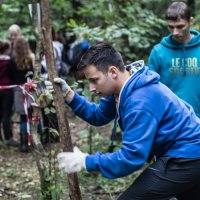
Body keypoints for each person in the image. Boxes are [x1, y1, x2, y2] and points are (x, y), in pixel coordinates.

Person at [47, 42, 200, 199]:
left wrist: (86, 161)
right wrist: (69, 95)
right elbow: (98, 115)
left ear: (113, 72)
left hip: (187, 155)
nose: (91, 88)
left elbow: (131, 158)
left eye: (94, 80)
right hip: (184, 153)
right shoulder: (121, 88)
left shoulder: (139, 101)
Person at [148, 1, 200, 118]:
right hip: (170, 121)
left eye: (180, 26)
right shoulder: (158, 52)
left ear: (191, 21)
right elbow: (151, 90)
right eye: (171, 27)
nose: (175, 32)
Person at [8, 36, 35, 152]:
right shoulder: (32, 58)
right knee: (33, 116)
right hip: (31, 90)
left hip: (18, 91)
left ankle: (24, 144)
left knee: (23, 118)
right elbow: (35, 74)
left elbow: (10, 77)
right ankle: (34, 140)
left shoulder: (12, 61)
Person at [0, 39, 18, 146]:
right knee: (7, 115)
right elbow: (13, 75)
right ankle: (8, 138)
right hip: (7, 90)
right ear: (6, 49)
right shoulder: (10, 61)